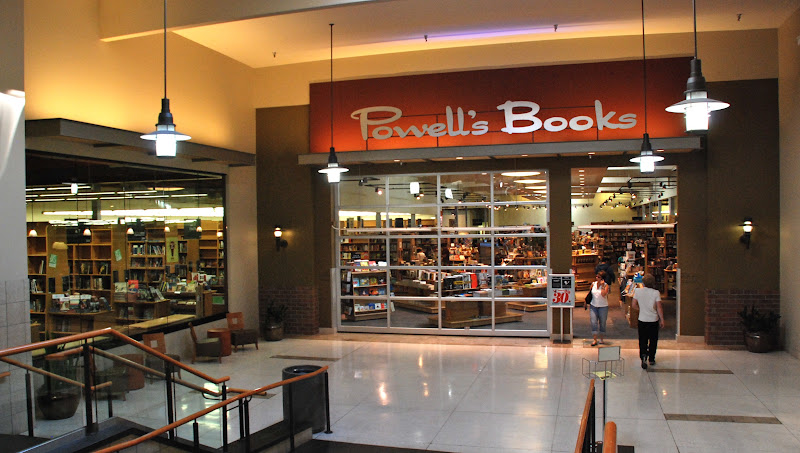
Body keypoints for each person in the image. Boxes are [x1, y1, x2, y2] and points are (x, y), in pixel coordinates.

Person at [632, 273, 664, 370]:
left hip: (642, 319)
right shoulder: (656, 293)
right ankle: (651, 358)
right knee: (653, 340)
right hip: (653, 320)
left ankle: (643, 356)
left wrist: (641, 309)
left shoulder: (637, 291)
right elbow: (659, 307)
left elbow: (633, 305)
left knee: (642, 339)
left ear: (643, 282)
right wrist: (662, 319)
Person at [588, 270, 610, 346]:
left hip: (603, 306)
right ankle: (594, 339)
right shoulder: (593, 284)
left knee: (602, 323)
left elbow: (603, 294)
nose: (597, 278)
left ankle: (601, 339)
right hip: (593, 305)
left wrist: (603, 286)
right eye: (596, 276)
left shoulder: (606, 285)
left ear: (602, 278)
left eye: (599, 277)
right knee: (593, 322)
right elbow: (590, 293)